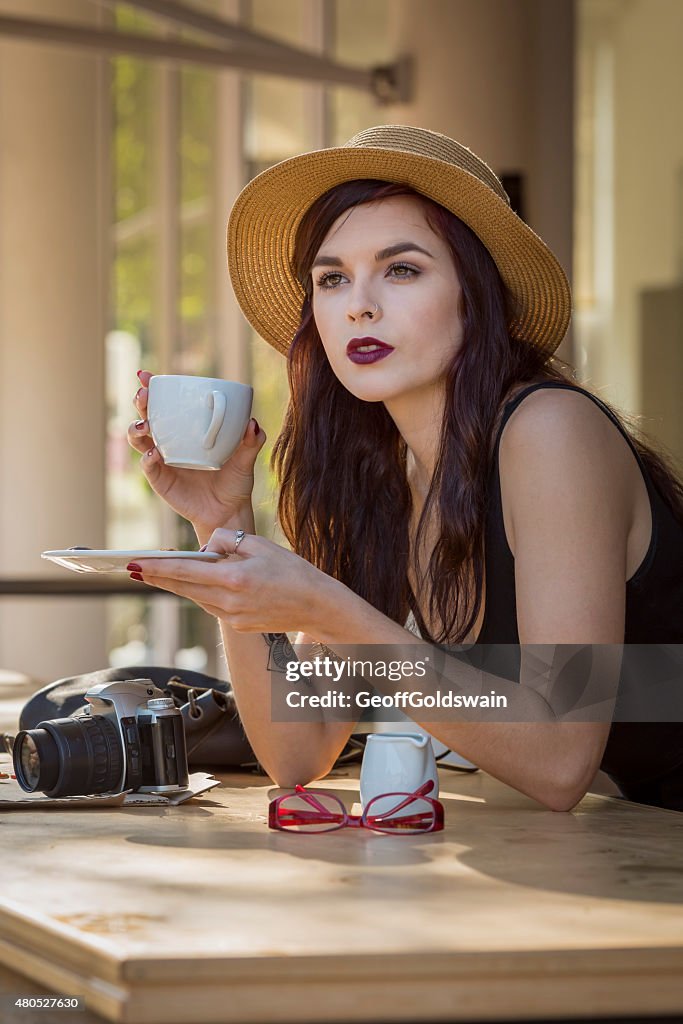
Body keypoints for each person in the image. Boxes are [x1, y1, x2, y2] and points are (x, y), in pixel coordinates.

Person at [127, 125, 683, 812]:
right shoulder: (377, 480)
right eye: (331, 279)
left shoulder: (548, 431)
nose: (358, 303)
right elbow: (298, 754)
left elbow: (559, 756)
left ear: (474, 298)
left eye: (401, 269)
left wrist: (334, 610)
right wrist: (225, 524)